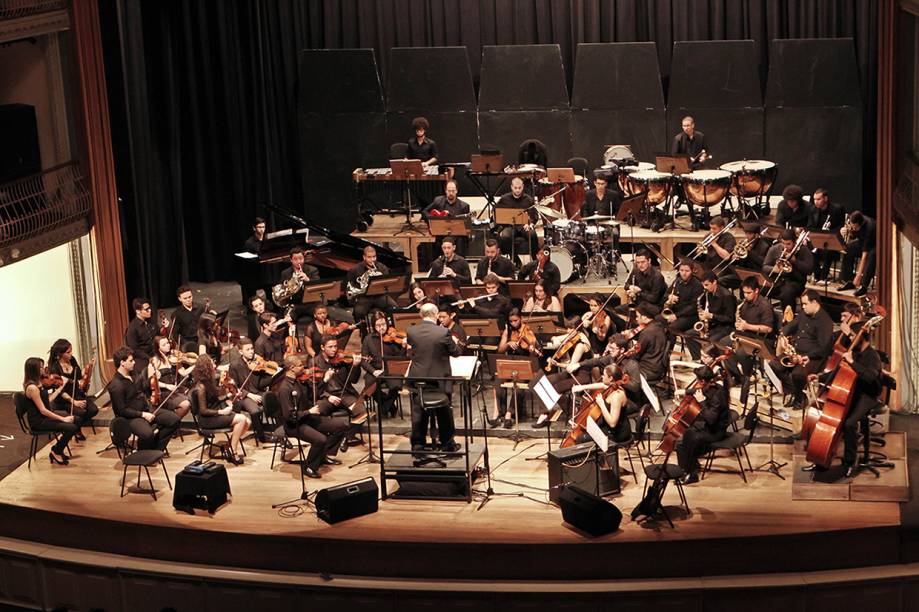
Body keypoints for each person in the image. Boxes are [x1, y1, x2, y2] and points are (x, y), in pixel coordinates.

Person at [806, 322, 882, 477]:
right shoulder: (853, 351)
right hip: (852, 391)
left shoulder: (872, 356)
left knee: (849, 423)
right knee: (834, 418)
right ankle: (821, 460)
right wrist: (819, 376)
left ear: (863, 337)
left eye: (853, 336)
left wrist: (853, 363)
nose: (851, 339)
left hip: (867, 395)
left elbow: (870, 377)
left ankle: (849, 463)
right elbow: (839, 372)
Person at [275, 354, 349, 478]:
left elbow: (315, 393)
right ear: (292, 368)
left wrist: (324, 380)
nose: (304, 368)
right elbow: (289, 416)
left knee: (341, 425)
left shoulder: (299, 382)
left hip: (307, 418)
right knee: (321, 439)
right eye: (300, 366)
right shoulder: (284, 388)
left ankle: (322, 456)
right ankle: (309, 467)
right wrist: (309, 412)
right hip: (294, 425)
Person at [405, 302, 463, 452]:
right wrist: (455, 343)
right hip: (439, 380)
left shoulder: (411, 331)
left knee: (419, 409)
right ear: (436, 315)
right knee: (444, 410)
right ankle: (447, 442)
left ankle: (418, 444)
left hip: (418, 380)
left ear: (421, 315)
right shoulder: (443, 332)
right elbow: (456, 353)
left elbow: (417, 349)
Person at [769, 290, 834, 409]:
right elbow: (791, 325)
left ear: (814, 302)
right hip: (796, 352)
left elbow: (824, 348)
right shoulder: (804, 314)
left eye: (805, 304)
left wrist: (807, 356)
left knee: (797, 374)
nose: (802, 307)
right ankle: (794, 392)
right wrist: (783, 335)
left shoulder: (825, 321)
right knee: (773, 365)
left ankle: (800, 399)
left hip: (813, 357)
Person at [108, 346, 181, 451]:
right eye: (131, 360)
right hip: (131, 417)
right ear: (122, 363)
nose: (134, 362)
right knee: (147, 434)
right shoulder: (116, 385)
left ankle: (156, 450)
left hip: (146, 409)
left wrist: (154, 378)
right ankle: (143, 452)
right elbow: (121, 410)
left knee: (174, 420)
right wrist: (142, 415)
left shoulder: (134, 373)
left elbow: (143, 387)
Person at [191, 354, 250, 465]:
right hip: (207, 420)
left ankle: (227, 447)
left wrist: (229, 395)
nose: (214, 365)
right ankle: (233, 451)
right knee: (242, 419)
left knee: (248, 422)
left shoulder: (208, 381)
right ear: (206, 367)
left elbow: (215, 400)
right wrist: (221, 412)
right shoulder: (201, 387)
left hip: (214, 415)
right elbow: (203, 410)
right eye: (211, 363)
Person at [676, 366, 730, 484]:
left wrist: (702, 402)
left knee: (689, 437)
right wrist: (684, 392)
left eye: (697, 380)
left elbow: (711, 419)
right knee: (681, 442)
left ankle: (691, 474)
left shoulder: (717, 395)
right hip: (709, 427)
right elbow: (698, 391)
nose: (696, 382)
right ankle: (689, 468)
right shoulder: (710, 386)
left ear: (703, 381)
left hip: (716, 431)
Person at [22, 357, 77, 465]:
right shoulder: (32, 388)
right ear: (34, 369)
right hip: (39, 422)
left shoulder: (38, 383)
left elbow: (47, 401)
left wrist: (60, 390)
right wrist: (63, 419)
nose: (44, 369)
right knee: (71, 427)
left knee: (77, 420)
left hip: (44, 418)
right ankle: (56, 451)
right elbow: (43, 410)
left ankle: (58, 449)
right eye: (41, 367)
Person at [313, 335, 367, 445]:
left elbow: (354, 380)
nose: (334, 349)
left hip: (346, 395)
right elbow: (313, 386)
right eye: (330, 347)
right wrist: (328, 396)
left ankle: (345, 437)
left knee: (362, 413)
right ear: (322, 347)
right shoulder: (315, 362)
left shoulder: (343, 360)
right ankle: (326, 440)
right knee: (317, 412)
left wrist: (355, 366)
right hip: (327, 396)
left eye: (335, 346)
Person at [493, 308, 541, 428]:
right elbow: (500, 350)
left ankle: (509, 414)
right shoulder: (507, 331)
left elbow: (534, 354)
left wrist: (531, 349)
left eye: (516, 321)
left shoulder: (527, 330)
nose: (513, 323)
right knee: (498, 383)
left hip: (524, 365)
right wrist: (508, 344)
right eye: (511, 321)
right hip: (509, 364)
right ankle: (500, 413)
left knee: (518, 386)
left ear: (521, 319)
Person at [47, 338, 99, 440]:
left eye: (71, 351)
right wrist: (74, 402)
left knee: (93, 410)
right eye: (68, 352)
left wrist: (90, 366)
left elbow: (79, 375)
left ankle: (76, 427)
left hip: (76, 393)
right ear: (60, 354)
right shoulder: (54, 367)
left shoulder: (72, 360)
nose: (71, 353)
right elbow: (60, 390)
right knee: (81, 412)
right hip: (64, 398)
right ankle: (75, 429)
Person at [568, 364, 633, 445]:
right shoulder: (612, 387)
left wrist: (602, 404)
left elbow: (612, 423)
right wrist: (583, 387)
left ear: (611, 378)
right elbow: (602, 385)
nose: (602, 376)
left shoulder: (617, 396)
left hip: (617, 434)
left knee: (581, 439)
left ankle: (595, 457)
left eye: (604, 375)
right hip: (609, 429)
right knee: (586, 430)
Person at [361, 311, 406, 419]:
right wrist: (373, 371)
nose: (381, 327)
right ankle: (390, 407)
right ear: (373, 326)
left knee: (396, 385)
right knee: (369, 386)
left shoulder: (393, 338)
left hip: (391, 369)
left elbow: (400, 359)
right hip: (375, 370)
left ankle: (384, 408)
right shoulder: (368, 339)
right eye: (378, 325)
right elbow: (363, 361)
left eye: (383, 324)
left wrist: (403, 347)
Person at [683, 272, 736, 361]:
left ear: (714, 282)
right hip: (712, 325)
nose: (705, 287)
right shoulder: (708, 293)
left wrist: (711, 316)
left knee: (711, 341)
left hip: (724, 327)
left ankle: (715, 363)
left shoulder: (727, 296)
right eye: (703, 285)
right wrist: (702, 315)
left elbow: (730, 319)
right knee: (689, 334)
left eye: (707, 285)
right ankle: (698, 360)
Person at [227, 337, 270, 443]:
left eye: (252, 349)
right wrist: (250, 395)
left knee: (273, 400)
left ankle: (281, 433)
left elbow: (259, 382)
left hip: (257, 391)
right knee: (255, 411)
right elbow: (234, 386)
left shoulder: (256, 362)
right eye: (248, 349)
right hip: (242, 395)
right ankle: (261, 437)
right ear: (241, 351)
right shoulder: (235, 365)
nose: (251, 352)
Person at [762, 228, 814, 313]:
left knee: (787, 294)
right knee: (760, 289)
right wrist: (773, 269)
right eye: (783, 243)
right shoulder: (775, 249)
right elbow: (764, 267)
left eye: (788, 244)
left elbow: (809, 270)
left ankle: (788, 320)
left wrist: (795, 262)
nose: (785, 247)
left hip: (796, 282)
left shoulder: (803, 250)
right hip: (777, 281)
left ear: (794, 242)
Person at [148, 336, 193, 421]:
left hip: (175, 390)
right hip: (164, 393)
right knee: (186, 404)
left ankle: (171, 421)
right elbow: (151, 381)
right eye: (164, 344)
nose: (168, 345)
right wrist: (166, 385)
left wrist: (195, 365)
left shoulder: (174, 358)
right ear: (158, 348)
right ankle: (172, 423)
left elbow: (183, 373)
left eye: (168, 343)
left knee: (193, 398)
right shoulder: (155, 360)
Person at [347, 246, 395, 323]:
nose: (372, 259)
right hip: (364, 297)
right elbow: (350, 285)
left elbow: (387, 284)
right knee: (358, 312)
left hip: (379, 296)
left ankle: (390, 327)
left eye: (374, 257)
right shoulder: (355, 270)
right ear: (364, 257)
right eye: (369, 257)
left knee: (394, 307)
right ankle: (361, 331)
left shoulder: (382, 268)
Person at [806, 188, 846, 282]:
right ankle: (817, 275)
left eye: (818, 199)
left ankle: (823, 278)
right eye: (814, 199)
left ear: (826, 198)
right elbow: (810, 226)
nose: (816, 202)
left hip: (832, 239)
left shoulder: (837, 209)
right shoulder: (813, 209)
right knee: (809, 249)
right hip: (818, 238)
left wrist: (828, 232)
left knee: (828, 251)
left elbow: (841, 226)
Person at [496, 177, 538, 263]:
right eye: (515, 188)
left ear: (522, 187)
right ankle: (515, 259)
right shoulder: (504, 199)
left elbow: (534, 215)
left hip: (524, 226)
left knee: (532, 235)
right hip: (510, 225)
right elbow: (497, 212)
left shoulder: (528, 199)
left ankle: (535, 260)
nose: (517, 190)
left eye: (519, 188)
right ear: (511, 187)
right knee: (505, 236)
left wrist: (531, 224)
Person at [662, 259, 703, 345]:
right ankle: (659, 348)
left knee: (672, 328)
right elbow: (666, 295)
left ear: (692, 271)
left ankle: (668, 351)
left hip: (690, 317)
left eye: (687, 271)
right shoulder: (677, 281)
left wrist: (676, 316)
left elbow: (693, 307)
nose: (684, 273)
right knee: (658, 320)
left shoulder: (697, 285)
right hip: (676, 313)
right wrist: (669, 297)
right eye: (681, 270)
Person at [838, 211, 877, 297]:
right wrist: (843, 231)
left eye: (855, 227)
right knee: (848, 249)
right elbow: (853, 234)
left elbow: (864, 255)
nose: (853, 228)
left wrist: (858, 275)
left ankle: (863, 286)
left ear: (860, 224)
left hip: (875, 245)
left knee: (871, 256)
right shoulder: (853, 222)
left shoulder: (870, 226)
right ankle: (848, 280)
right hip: (862, 242)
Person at [280, 246, 320, 322]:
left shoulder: (313, 270)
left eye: (301, 258)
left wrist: (307, 279)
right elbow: (283, 291)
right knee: (288, 319)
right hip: (295, 304)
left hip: (311, 303)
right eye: (295, 259)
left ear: (304, 258)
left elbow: (317, 286)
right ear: (291, 260)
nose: (299, 261)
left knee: (321, 314)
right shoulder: (285, 273)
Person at [171, 285, 211, 351]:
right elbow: (175, 334)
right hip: (188, 341)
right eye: (185, 298)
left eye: (190, 297)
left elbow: (206, 324)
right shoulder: (176, 314)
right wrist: (185, 344)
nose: (188, 300)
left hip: (201, 337)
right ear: (180, 299)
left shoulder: (201, 308)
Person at [124, 297, 157, 376]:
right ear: (138, 311)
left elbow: (158, 337)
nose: (150, 311)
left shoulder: (151, 322)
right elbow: (134, 350)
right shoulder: (132, 328)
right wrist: (149, 358)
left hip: (155, 355)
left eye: (150, 308)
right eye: (146, 309)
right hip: (142, 359)